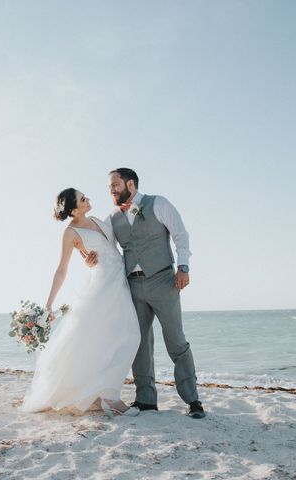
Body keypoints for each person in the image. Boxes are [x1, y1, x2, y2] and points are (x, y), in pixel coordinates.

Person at [90, 168, 205, 419]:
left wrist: (183, 267)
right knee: (139, 343)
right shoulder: (111, 218)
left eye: (115, 184)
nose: (111, 189)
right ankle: (145, 400)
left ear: (131, 184)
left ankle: (192, 400)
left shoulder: (158, 203)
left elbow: (180, 235)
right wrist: (91, 257)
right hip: (133, 286)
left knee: (176, 340)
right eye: (110, 186)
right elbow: (105, 249)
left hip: (164, 280)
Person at [21, 188, 141, 418]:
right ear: (74, 209)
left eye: (85, 196)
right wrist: (49, 304)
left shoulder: (97, 219)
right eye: (83, 199)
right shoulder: (70, 233)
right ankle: (111, 398)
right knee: (130, 334)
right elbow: (61, 269)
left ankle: (99, 393)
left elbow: (109, 245)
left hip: (119, 281)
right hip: (102, 285)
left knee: (113, 337)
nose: (88, 199)